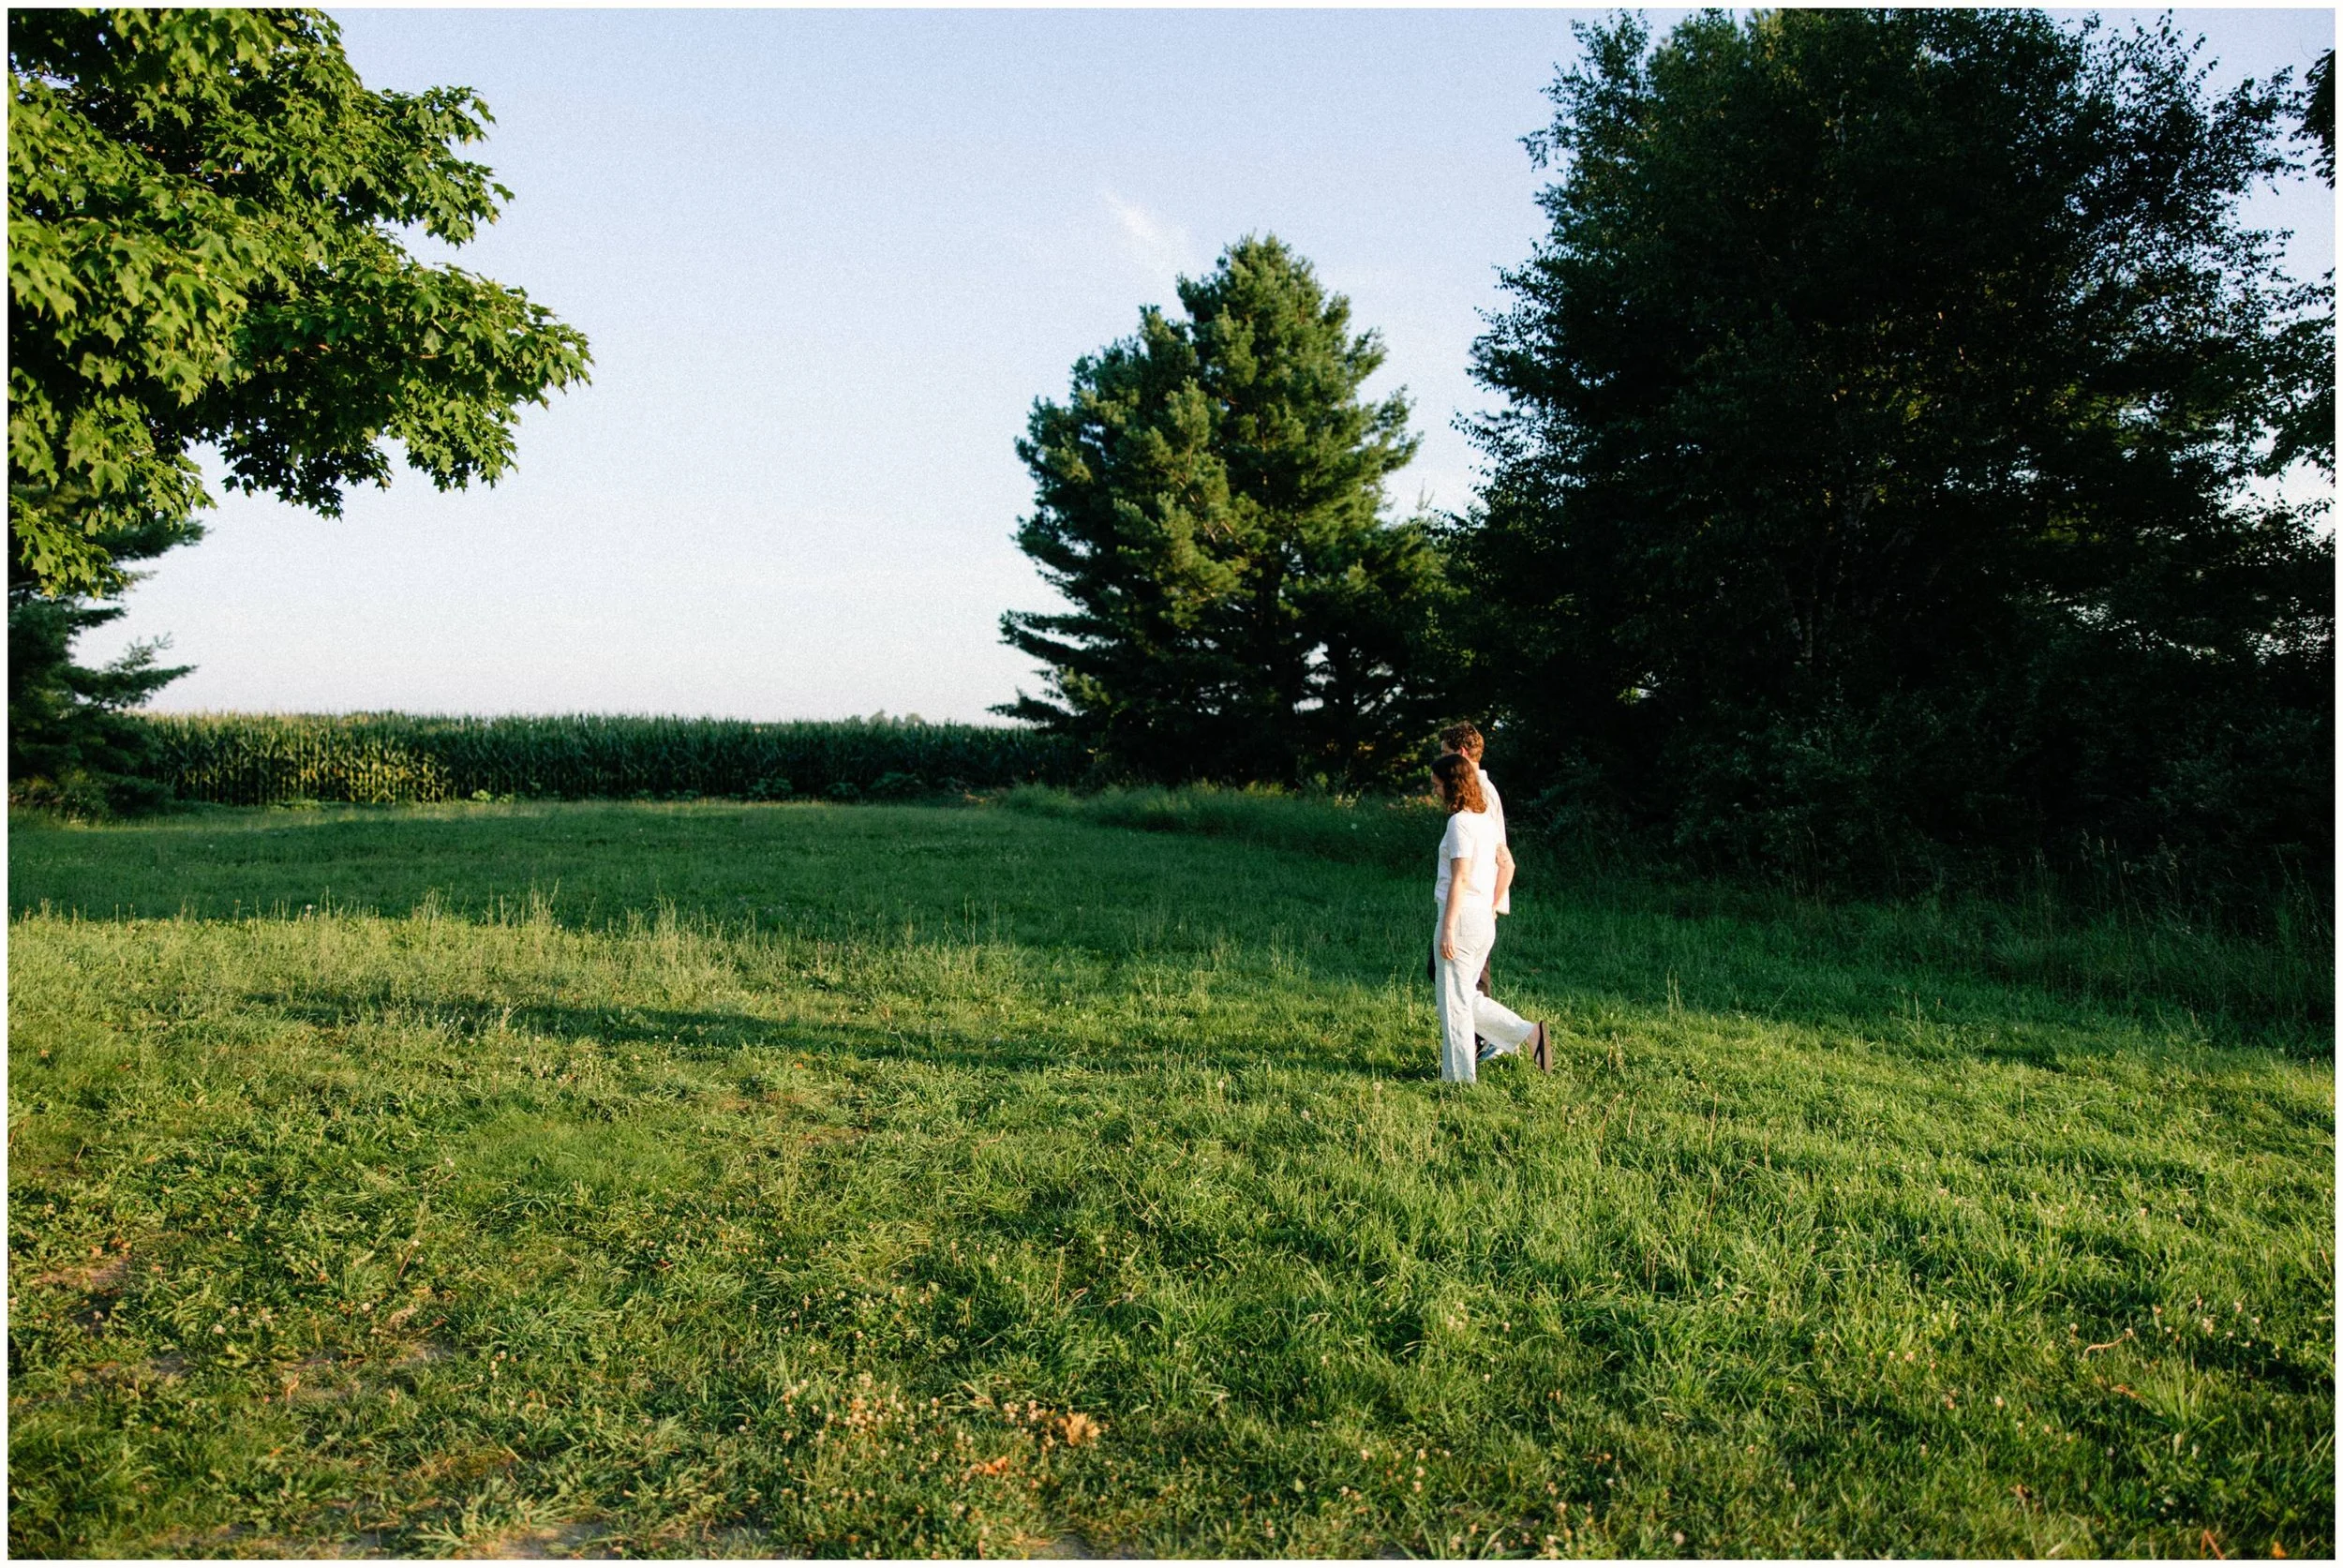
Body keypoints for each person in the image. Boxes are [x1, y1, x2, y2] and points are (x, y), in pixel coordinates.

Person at [1429, 751, 1551, 1083]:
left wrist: (1448, 928)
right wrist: (1493, 904)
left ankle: (1458, 1080)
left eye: (1437, 785)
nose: (1435, 791)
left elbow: (1460, 878)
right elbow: (1508, 865)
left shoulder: (1460, 823)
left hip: (1462, 917)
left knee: (1453, 1005)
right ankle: (1529, 1034)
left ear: (1452, 785)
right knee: (1466, 996)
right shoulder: (1485, 821)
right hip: (1483, 918)